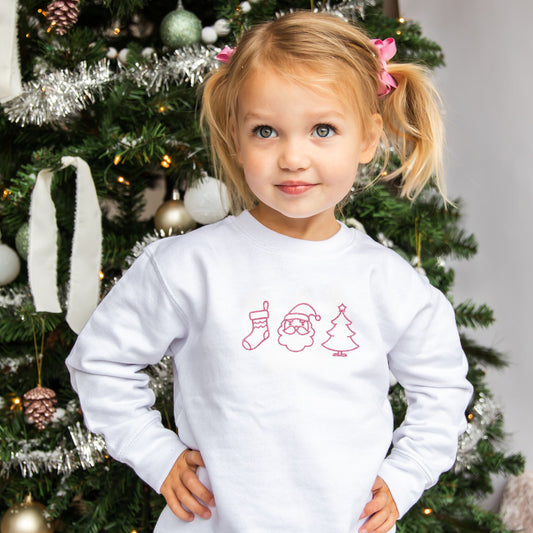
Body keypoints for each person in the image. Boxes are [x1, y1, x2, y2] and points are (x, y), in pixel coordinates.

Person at [66, 11, 473, 533]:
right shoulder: (187, 268)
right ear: (236, 138)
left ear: (368, 138)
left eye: (322, 129)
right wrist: (155, 454)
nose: (293, 157)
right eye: (266, 131)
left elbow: (443, 392)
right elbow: (100, 362)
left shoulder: (389, 284)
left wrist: (405, 474)